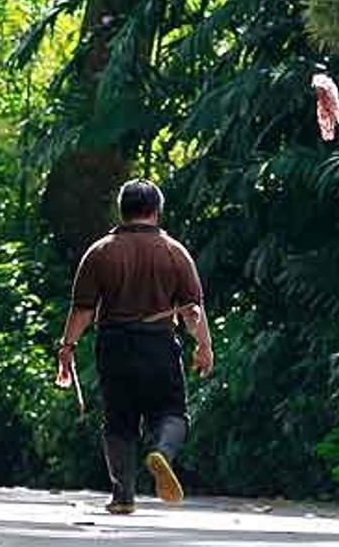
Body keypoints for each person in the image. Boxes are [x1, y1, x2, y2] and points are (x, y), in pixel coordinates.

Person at [55, 179, 214, 515]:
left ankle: (123, 494)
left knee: (118, 420)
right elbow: (192, 309)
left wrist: (67, 346)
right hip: (158, 344)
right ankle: (161, 453)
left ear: (122, 210)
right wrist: (203, 346)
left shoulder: (100, 252)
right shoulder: (175, 252)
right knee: (171, 413)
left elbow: (83, 309)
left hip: (114, 345)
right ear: (157, 211)